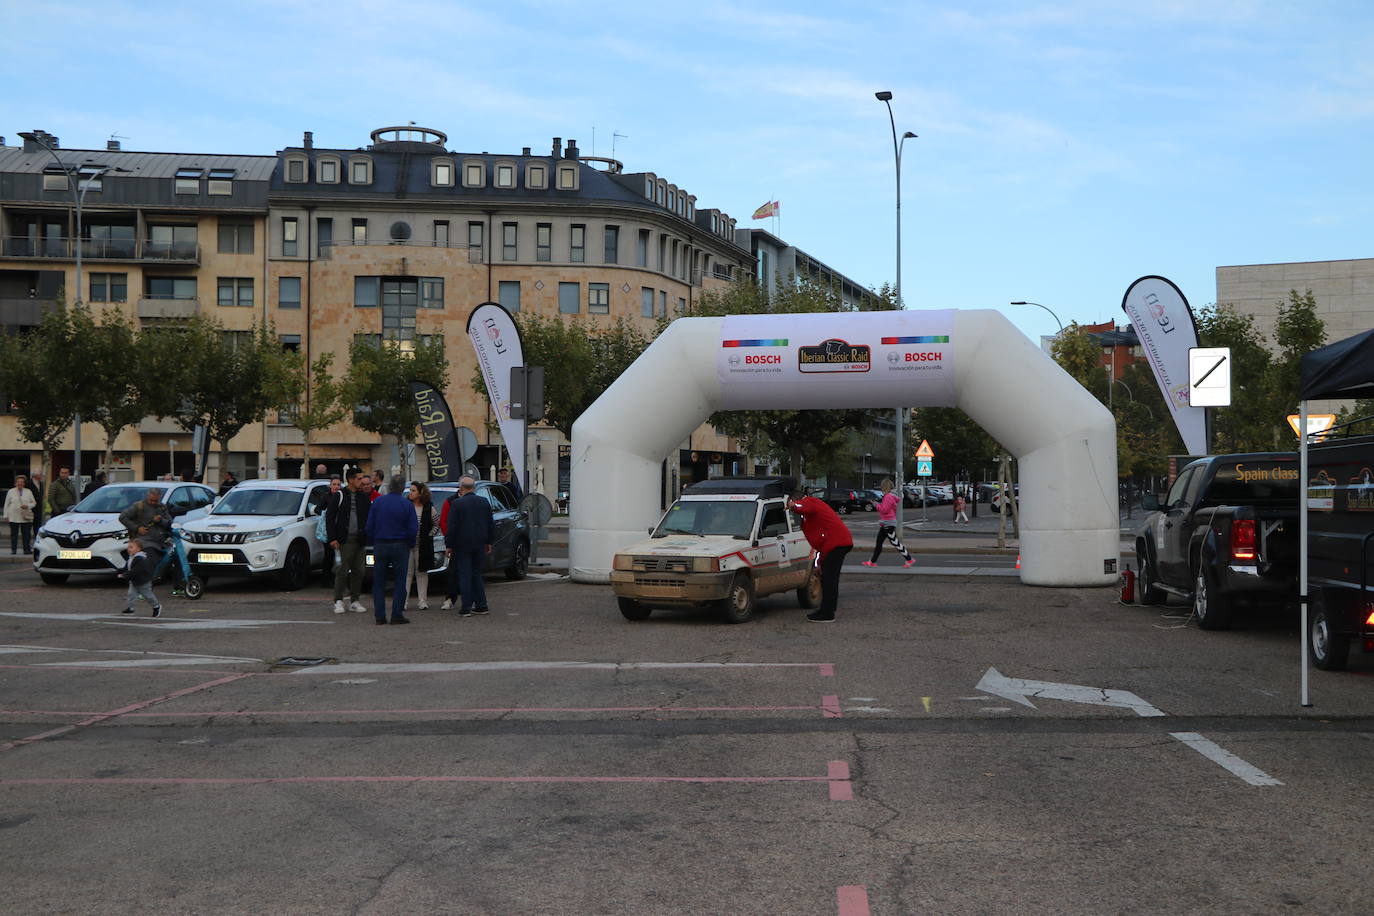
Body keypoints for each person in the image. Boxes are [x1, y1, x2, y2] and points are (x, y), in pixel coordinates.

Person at [783, 477, 852, 623]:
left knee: (829, 579)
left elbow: (803, 508)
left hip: (836, 543)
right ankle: (828, 609)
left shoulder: (808, 503)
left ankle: (827, 613)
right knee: (828, 578)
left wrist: (792, 505)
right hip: (836, 543)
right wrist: (820, 561)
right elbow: (820, 542)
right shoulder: (810, 506)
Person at [365, 474, 418, 625]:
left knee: (379, 581)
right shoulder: (406, 504)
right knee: (400, 581)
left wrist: (373, 541)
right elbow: (413, 528)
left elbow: (369, 526)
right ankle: (396, 614)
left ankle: (380, 615)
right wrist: (410, 543)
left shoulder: (378, 502)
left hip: (380, 544)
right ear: (402, 488)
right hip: (400, 545)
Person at [442, 475, 493, 617]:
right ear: (474, 488)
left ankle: (466, 607)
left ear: (461, 488)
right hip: (479, 543)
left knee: (465, 575)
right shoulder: (484, 502)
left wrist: (449, 545)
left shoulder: (457, 504)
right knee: (476, 573)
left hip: (462, 544)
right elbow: (490, 524)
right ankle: (482, 605)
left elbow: (452, 526)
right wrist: (489, 542)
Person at [326, 469, 370, 615]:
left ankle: (355, 600)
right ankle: (338, 600)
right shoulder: (339, 495)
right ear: (350, 480)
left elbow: (368, 517)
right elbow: (330, 518)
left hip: (360, 540)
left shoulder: (363, 497)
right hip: (343, 540)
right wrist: (332, 538)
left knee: (359, 571)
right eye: (359, 478)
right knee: (342, 571)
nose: (362, 481)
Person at [861, 478, 914, 569]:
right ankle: (872, 562)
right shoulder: (889, 496)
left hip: (888, 524)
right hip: (886, 523)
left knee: (895, 542)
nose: (881, 488)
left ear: (885, 487)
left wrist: (876, 505)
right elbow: (886, 508)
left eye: (882, 486)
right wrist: (878, 504)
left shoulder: (888, 497)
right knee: (880, 543)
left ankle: (909, 559)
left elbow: (884, 510)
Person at [404, 481, 439, 610]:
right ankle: (404, 601)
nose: (410, 493)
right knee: (407, 573)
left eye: (413, 490)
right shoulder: (406, 506)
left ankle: (422, 600)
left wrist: (430, 535)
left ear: (420, 493)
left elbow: (436, 523)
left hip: (422, 545)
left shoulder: (429, 508)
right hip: (407, 544)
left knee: (422, 572)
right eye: (410, 490)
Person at [118, 487, 171, 565]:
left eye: (155, 501)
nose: (153, 503)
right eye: (151, 500)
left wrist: (160, 520)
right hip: (145, 541)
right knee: (151, 557)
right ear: (147, 496)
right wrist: (137, 528)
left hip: (162, 542)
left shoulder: (162, 507)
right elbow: (122, 517)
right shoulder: (139, 506)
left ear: (159, 498)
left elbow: (169, 522)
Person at [121, 536, 162, 618]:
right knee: (131, 594)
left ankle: (156, 606)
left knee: (148, 595)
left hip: (143, 581)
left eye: (131, 547)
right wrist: (121, 571)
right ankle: (130, 608)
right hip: (134, 581)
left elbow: (137, 570)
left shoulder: (140, 558)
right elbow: (128, 567)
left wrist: (126, 575)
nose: (129, 549)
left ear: (139, 549)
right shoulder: (131, 557)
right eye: (128, 547)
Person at [313, 476, 343, 587]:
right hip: (327, 530)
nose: (336, 486)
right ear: (330, 486)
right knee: (329, 556)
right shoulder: (326, 497)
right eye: (334, 484)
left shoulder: (342, 496)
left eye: (338, 484)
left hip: (339, 528)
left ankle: (338, 577)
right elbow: (317, 509)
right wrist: (326, 512)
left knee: (340, 555)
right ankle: (326, 580)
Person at [5, 474, 37, 554]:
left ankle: (26, 550)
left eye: (22, 482)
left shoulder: (28, 491)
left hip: (25, 517)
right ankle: (14, 550)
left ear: (24, 483)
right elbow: (6, 504)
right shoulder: (11, 491)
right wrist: (6, 515)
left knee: (26, 535)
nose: (20, 483)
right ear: (15, 483)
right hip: (13, 516)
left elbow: (34, 503)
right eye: (18, 482)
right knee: (14, 535)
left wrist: (27, 506)